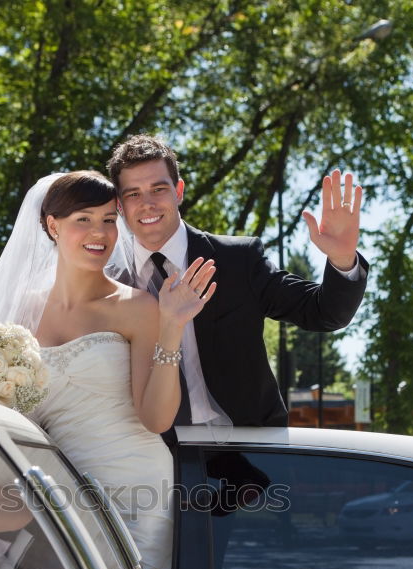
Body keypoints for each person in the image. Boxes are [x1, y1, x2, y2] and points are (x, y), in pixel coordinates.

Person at [0, 171, 216, 569]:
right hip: (65, 490)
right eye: (83, 219)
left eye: (110, 220)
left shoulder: (136, 307)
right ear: (52, 225)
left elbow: (156, 420)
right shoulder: (19, 316)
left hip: (138, 481)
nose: (100, 233)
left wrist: (172, 328)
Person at [106, 134, 369, 429]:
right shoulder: (113, 285)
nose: (148, 204)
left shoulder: (236, 260)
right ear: (119, 205)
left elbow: (325, 313)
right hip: (157, 453)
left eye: (158, 189)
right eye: (133, 194)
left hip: (250, 450)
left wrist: (343, 260)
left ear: (178, 191)